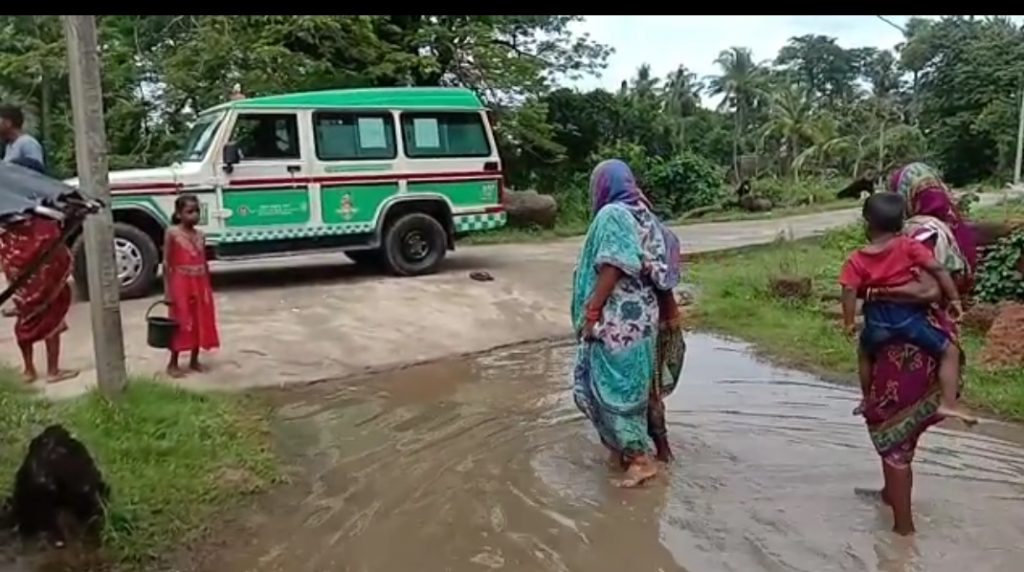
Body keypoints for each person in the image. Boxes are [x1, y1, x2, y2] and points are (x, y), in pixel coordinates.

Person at [856, 162, 980, 536]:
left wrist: (874, 291)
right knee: (901, 432)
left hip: (904, 349)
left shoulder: (918, 232)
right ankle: (890, 496)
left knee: (894, 437)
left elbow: (927, 289)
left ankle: (902, 535)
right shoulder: (945, 229)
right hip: (929, 336)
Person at [571, 159, 686, 488]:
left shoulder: (613, 214)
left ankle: (638, 459)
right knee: (644, 387)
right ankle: (662, 452)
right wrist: (670, 316)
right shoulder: (644, 215)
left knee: (612, 389)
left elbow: (614, 265)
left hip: (619, 321)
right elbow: (662, 269)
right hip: (644, 320)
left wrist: (592, 312)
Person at [839, 192, 972, 424]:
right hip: (909, 321)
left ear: (867, 224)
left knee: (864, 353)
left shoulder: (856, 259)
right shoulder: (909, 247)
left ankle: (866, 399)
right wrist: (956, 301)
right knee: (949, 351)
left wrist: (849, 322)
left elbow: (849, 291)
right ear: (901, 222)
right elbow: (939, 270)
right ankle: (949, 404)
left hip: (878, 323)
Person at [0, 158, 77, 383]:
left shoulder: (7, 206)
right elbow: (54, 235)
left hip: (20, 276)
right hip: (44, 273)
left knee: (26, 316)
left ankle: (29, 370)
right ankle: (53, 371)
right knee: (52, 314)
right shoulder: (44, 209)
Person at [163, 194, 219, 377]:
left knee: (199, 319)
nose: (194, 216)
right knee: (180, 321)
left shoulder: (201, 235)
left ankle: (195, 359)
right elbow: (166, 263)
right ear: (179, 214)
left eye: (197, 211)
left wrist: (207, 287)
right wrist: (167, 291)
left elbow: (203, 261)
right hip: (180, 282)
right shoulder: (172, 233)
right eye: (189, 212)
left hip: (200, 282)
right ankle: (173, 363)